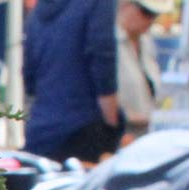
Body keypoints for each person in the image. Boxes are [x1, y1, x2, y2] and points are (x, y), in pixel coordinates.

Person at [24, 0, 122, 162]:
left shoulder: (38, 11)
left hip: (39, 132)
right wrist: (112, 127)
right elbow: (103, 65)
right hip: (82, 131)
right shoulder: (97, 4)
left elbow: (30, 81)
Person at [115, 0, 172, 142]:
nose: (151, 20)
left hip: (146, 136)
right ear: (125, 5)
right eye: (146, 12)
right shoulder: (108, 44)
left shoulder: (146, 43)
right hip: (118, 136)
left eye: (155, 15)